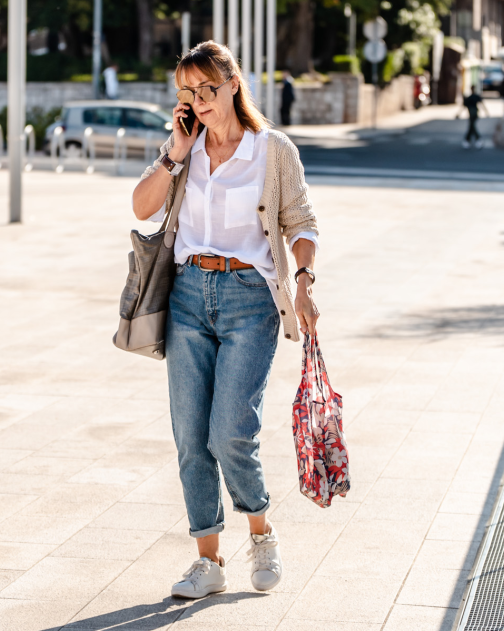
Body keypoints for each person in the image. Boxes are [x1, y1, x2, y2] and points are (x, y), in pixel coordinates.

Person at [132, 41, 320, 600]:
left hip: (249, 299)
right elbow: (142, 207)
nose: (197, 101)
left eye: (206, 90)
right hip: (189, 294)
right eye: (186, 92)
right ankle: (208, 561)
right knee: (191, 437)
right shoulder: (183, 149)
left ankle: (262, 532)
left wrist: (305, 281)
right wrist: (174, 151)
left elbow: (301, 221)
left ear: (233, 84)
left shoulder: (272, 150)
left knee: (230, 432)